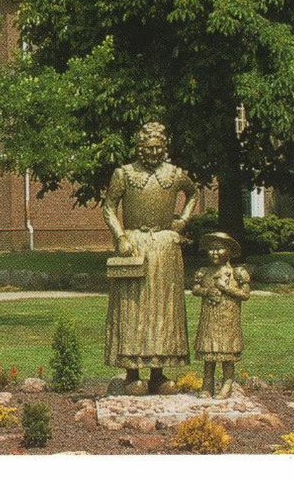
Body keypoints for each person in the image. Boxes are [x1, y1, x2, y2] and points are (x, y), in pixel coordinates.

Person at [102, 121, 198, 394]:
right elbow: (109, 207)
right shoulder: (124, 174)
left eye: (159, 148)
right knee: (133, 309)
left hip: (165, 247)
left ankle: (158, 372)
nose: (154, 153)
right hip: (134, 245)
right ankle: (132, 372)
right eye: (149, 148)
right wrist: (120, 237)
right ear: (140, 148)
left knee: (164, 311)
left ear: (165, 148)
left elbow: (193, 193)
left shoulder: (175, 174)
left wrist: (183, 219)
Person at [192, 232, 250, 398]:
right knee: (209, 352)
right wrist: (206, 291)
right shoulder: (204, 272)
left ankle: (227, 383)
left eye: (219, 249)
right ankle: (207, 384)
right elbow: (195, 289)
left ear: (229, 251)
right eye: (211, 249)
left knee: (227, 352)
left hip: (228, 317)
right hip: (210, 316)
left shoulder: (237, 273)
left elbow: (245, 294)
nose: (214, 253)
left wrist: (227, 289)